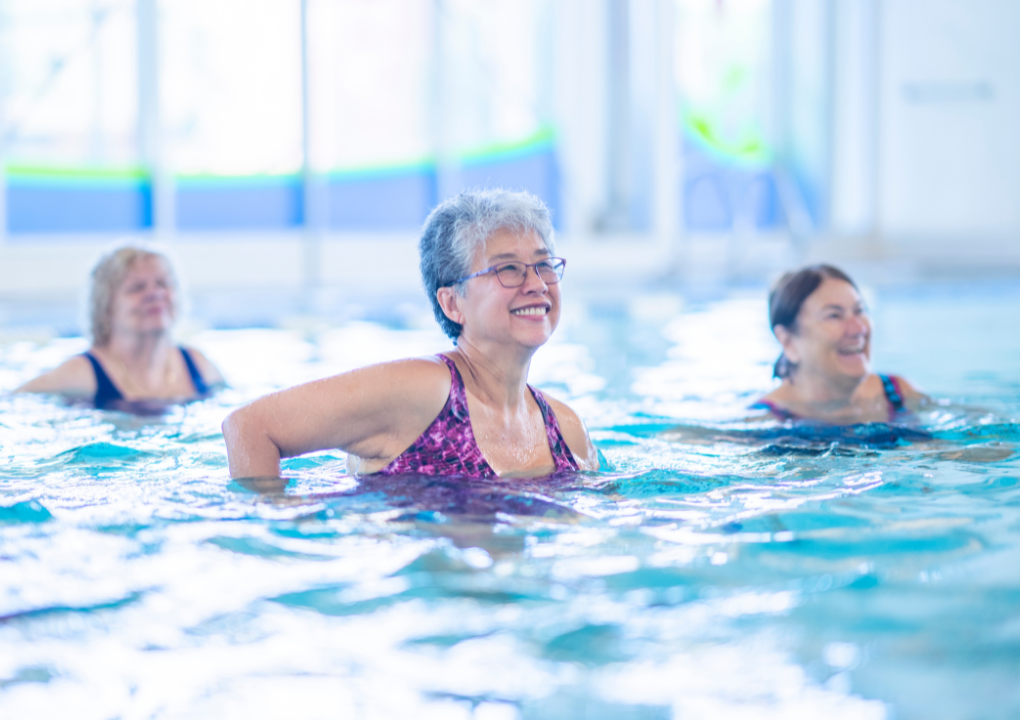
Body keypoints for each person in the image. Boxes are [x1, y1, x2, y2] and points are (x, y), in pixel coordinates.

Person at [222, 189, 599, 480]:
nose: (536, 284)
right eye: (509, 269)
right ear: (453, 303)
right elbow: (250, 426)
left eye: (543, 264)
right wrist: (279, 542)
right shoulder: (425, 392)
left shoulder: (566, 430)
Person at [16, 245, 223, 411]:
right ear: (106, 307)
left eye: (163, 283)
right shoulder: (83, 373)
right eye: (137, 288)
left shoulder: (198, 366)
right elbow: (12, 404)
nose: (155, 294)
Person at [750, 264, 926, 423]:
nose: (858, 328)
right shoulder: (762, 422)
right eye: (834, 315)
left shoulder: (899, 395)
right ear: (788, 342)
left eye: (860, 310)